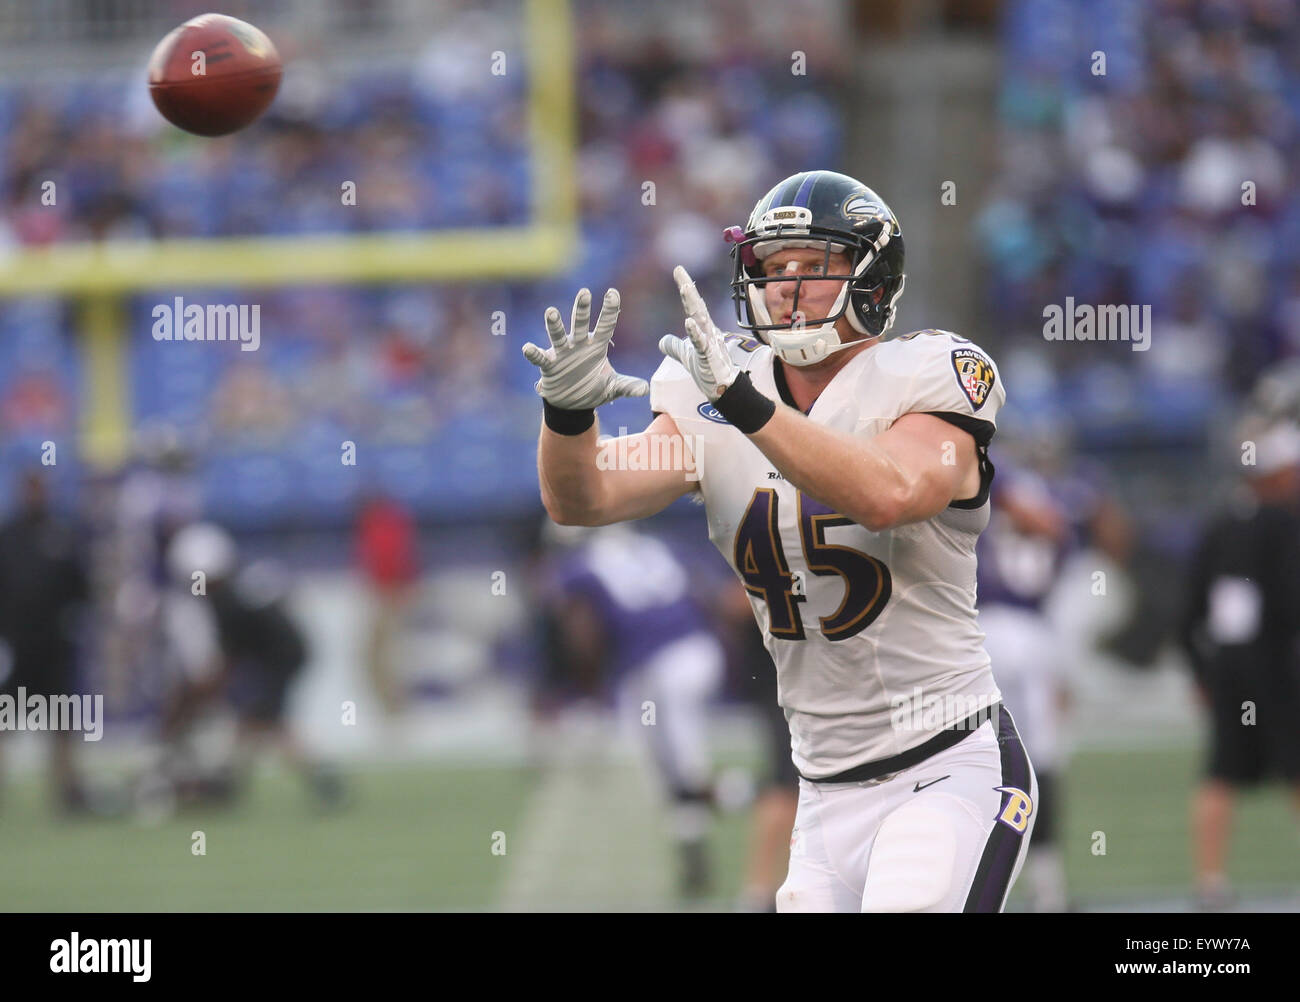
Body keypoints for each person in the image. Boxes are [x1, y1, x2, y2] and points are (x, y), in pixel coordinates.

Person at [523, 169, 1036, 912]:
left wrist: (743, 403)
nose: (787, 287)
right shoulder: (713, 393)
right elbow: (584, 496)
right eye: (772, 267)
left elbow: (889, 493)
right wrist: (567, 417)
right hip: (823, 793)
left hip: (946, 768)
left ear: (871, 280)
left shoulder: (928, 375)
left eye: (814, 267)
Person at [537, 520, 726, 898]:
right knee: (680, 758)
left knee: (669, 766)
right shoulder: (657, 545)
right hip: (700, 650)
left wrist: (589, 691)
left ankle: (716, 818)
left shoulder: (580, 565)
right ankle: (701, 825)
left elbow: (583, 634)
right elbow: (705, 591)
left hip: (656, 666)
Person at [1180, 419, 1300, 910]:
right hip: (1275, 662)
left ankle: (1210, 882)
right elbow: (1292, 600)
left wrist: (1201, 672)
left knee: (1221, 772)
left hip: (1228, 665)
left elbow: (1190, 611)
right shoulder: (1285, 523)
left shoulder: (1220, 523)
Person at [0, 470, 91, 813]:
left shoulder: (64, 535)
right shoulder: (7, 536)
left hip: (55, 647)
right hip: (16, 646)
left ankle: (65, 790)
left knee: (63, 721)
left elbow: (82, 590)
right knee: (4, 716)